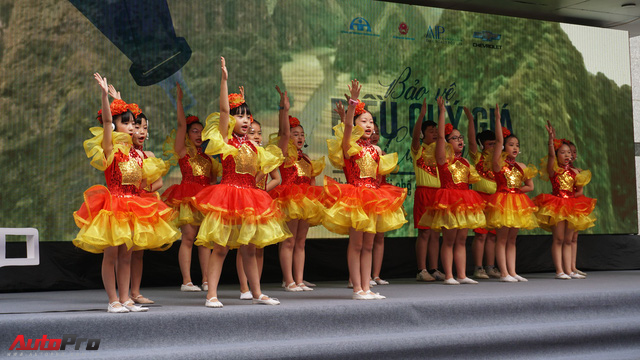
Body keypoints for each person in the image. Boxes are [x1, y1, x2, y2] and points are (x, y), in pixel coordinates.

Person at [73, 73, 179, 313]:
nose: (132, 127)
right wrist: (105, 97)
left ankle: (126, 298)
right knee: (111, 255)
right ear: (114, 125)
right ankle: (113, 301)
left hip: (133, 207)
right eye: (127, 122)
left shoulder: (137, 154)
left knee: (127, 256)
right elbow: (108, 123)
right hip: (114, 206)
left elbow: (151, 183)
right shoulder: (111, 149)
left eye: (134, 123)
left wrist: (120, 99)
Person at [194, 57, 290, 307]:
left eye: (248, 116)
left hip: (250, 197)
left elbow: (264, 170)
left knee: (249, 248)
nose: (245, 120)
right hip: (228, 196)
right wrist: (224, 81)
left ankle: (257, 293)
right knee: (221, 248)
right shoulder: (225, 142)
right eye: (240, 116)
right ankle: (211, 294)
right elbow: (224, 111)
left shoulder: (254, 146)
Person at [324, 80, 407, 300]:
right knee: (357, 243)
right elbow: (348, 128)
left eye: (371, 121)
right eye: (364, 121)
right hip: (355, 196)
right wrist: (352, 103)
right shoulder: (349, 147)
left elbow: (379, 177)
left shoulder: (377, 149)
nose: (369, 125)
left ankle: (367, 287)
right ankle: (357, 289)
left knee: (369, 244)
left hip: (373, 196)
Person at [419, 97, 485, 285]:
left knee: (462, 239)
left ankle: (462, 275)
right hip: (448, 198)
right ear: (447, 142)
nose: (460, 140)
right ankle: (449, 275)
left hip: (464, 200)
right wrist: (442, 113)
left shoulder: (464, 162)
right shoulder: (443, 159)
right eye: (455, 138)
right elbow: (440, 137)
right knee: (449, 239)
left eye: (460, 137)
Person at [161, 84, 220, 292]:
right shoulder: (183, 150)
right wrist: (179, 102)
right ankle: (186, 281)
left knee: (205, 240)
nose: (199, 135)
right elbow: (180, 124)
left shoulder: (208, 158)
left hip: (204, 198)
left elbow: (212, 180)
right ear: (188, 134)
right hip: (187, 196)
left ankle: (206, 280)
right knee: (188, 237)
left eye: (201, 132)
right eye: (195, 131)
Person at [270, 86, 326, 292]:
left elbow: (311, 182)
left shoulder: (306, 158)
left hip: (305, 200)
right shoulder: (285, 154)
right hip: (289, 199)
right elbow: (282, 133)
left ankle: (299, 279)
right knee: (289, 240)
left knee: (301, 241)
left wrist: (315, 201)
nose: (299, 137)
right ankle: (289, 280)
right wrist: (284, 111)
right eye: (295, 134)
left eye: (302, 134)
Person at [534, 122, 596, 280]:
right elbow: (550, 156)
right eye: (563, 152)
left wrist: (571, 199)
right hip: (557, 204)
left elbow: (578, 191)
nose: (567, 155)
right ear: (557, 154)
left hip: (571, 205)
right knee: (559, 238)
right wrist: (551, 139)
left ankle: (570, 270)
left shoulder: (576, 172)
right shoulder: (554, 170)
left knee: (568, 240)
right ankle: (559, 271)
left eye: (569, 152)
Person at [485, 106, 538, 282]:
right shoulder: (498, 163)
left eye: (517, 145)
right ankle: (504, 273)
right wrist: (498, 120)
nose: (515, 147)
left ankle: (513, 272)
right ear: (503, 147)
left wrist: (516, 192)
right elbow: (498, 142)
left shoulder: (522, 166)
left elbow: (530, 186)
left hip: (516, 201)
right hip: (502, 201)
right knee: (501, 238)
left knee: (512, 239)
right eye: (511, 144)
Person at [236, 118, 281, 300]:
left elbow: (277, 178)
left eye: (259, 132)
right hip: (244, 200)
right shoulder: (244, 153)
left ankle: (256, 286)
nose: (256, 135)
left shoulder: (265, 154)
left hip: (259, 202)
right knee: (244, 245)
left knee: (259, 247)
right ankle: (244, 288)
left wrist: (262, 192)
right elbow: (246, 180)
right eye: (252, 132)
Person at [411, 98, 445, 282]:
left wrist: (442, 112)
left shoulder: (441, 151)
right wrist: (422, 115)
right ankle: (421, 269)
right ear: (424, 134)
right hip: (424, 192)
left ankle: (434, 268)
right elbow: (415, 137)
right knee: (424, 232)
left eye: (435, 131)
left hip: (438, 194)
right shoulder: (418, 149)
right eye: (430, 131)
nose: (434, 134)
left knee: (435, 233)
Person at [464, 107, 500, 280]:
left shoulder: (499, 160)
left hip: (496, 200)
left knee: (493, 235)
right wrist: (471, 121)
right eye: (490, 144)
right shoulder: (477, 157)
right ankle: (478, 268)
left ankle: (490, 267)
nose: (493, 147)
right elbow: (471, 141)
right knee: (481, 234)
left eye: (495, 143)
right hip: (480, 198)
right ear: (482, 145)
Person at [568, 142, 588, 277]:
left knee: (574, 237)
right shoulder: (560, 170)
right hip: (566, 204)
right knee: (566, 238)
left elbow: (580, 191)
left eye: (574, 152)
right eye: (569, 152)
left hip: (576, 204)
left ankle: (573, 266)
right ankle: (567, 267)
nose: (572, 155)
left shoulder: (578, 171)